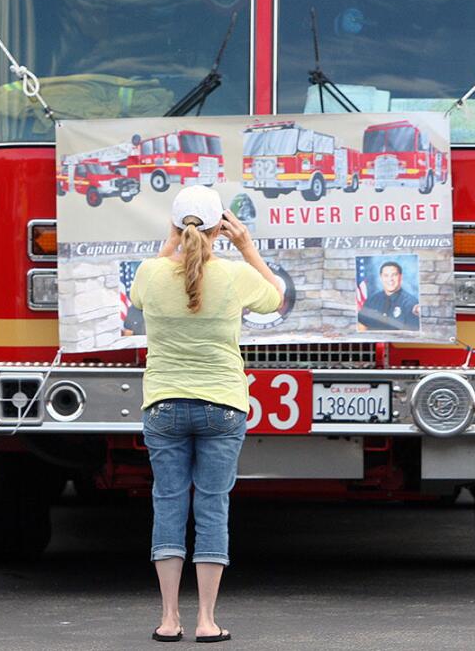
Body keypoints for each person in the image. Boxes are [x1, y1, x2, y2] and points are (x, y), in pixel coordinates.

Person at [128, 185, 283, 643]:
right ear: (221, 227)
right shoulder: (235, 275)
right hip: (223, 405)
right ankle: (206, 621)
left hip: (164, 404)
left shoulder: (150, 273)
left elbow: (139, 297)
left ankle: (169, 619)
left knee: (168, 504)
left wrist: (169, 244)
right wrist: (247, 246)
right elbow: (276, 298)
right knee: (212, 508)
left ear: (176, 227)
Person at [356, 260, 421, 331]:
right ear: (381, 277)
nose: (390, 279)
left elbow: (412, 335)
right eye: (386, 275)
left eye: (394, 275)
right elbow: (361, 325)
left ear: (400, 276)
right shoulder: (371, 300)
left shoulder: (410, 303)